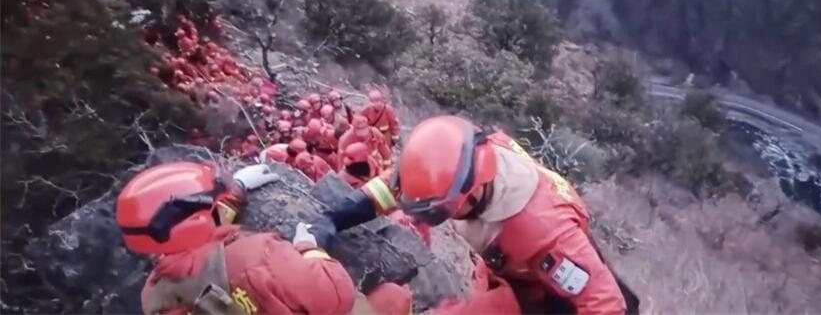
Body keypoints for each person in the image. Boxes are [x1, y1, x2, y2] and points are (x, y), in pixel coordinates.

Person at [306, 115, 633, 314]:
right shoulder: (465, 157)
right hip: (504, 272)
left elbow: (605, 304)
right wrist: (336, 217)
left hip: (543, 294)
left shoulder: (544, 234)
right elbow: (398, 187)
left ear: (471, 193)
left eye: (438, 210)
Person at [116, 161, 411, 315]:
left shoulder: (155, 294)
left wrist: (236, 191)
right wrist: (310, 247)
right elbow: (337, 294)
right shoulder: (260, 258)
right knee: (395, 298)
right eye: (211, 200)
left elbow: (199, 241)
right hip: (315, 292)